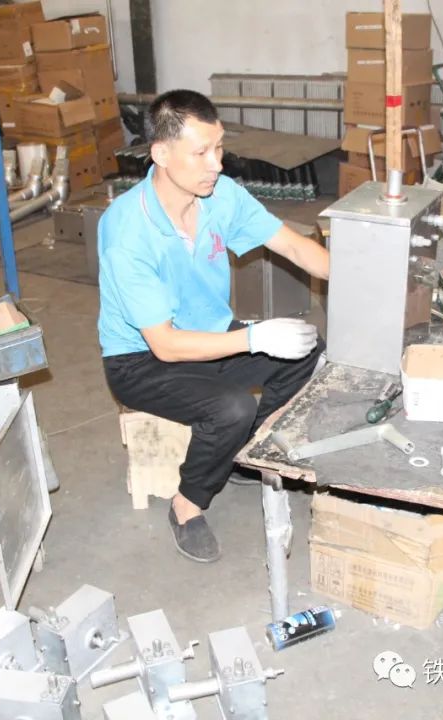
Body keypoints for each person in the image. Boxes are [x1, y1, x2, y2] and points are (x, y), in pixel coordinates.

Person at [97, 89, 330, 563]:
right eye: (201, 152)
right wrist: (254, 337)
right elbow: (165, 345)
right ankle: (187, 505)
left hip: (212, 334)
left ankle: (245, 455)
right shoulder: (127, 231)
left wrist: (364, 276)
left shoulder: (221, 196)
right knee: (231, 408)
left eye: (219, 147)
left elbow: (293, 246)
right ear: (161, 154)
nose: (216, 164)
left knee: (306, 349)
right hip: (140, 360)